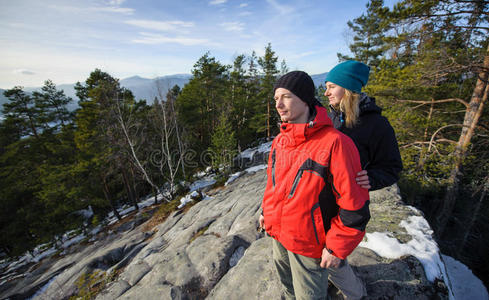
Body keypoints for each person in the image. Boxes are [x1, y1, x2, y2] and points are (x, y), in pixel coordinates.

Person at [259, 71, 370, 299]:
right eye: (275, 99)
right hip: (279, 234)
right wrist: (265, 212)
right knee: (288, 289)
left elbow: (354, 204)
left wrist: (336, 247)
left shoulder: (336, 143)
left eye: (286, 97)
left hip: (309, 243)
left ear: (306, 99)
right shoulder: (281, 140)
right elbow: (274, 185)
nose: (278, 104)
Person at [324, 60, 403, 191]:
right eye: (326, 87)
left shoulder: (377, 124)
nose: (326, 93)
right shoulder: (328, 119)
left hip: (352, 203)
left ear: (348, 88)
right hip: (322, 201)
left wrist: (371, 178)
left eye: (332, 87)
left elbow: (391, 167)